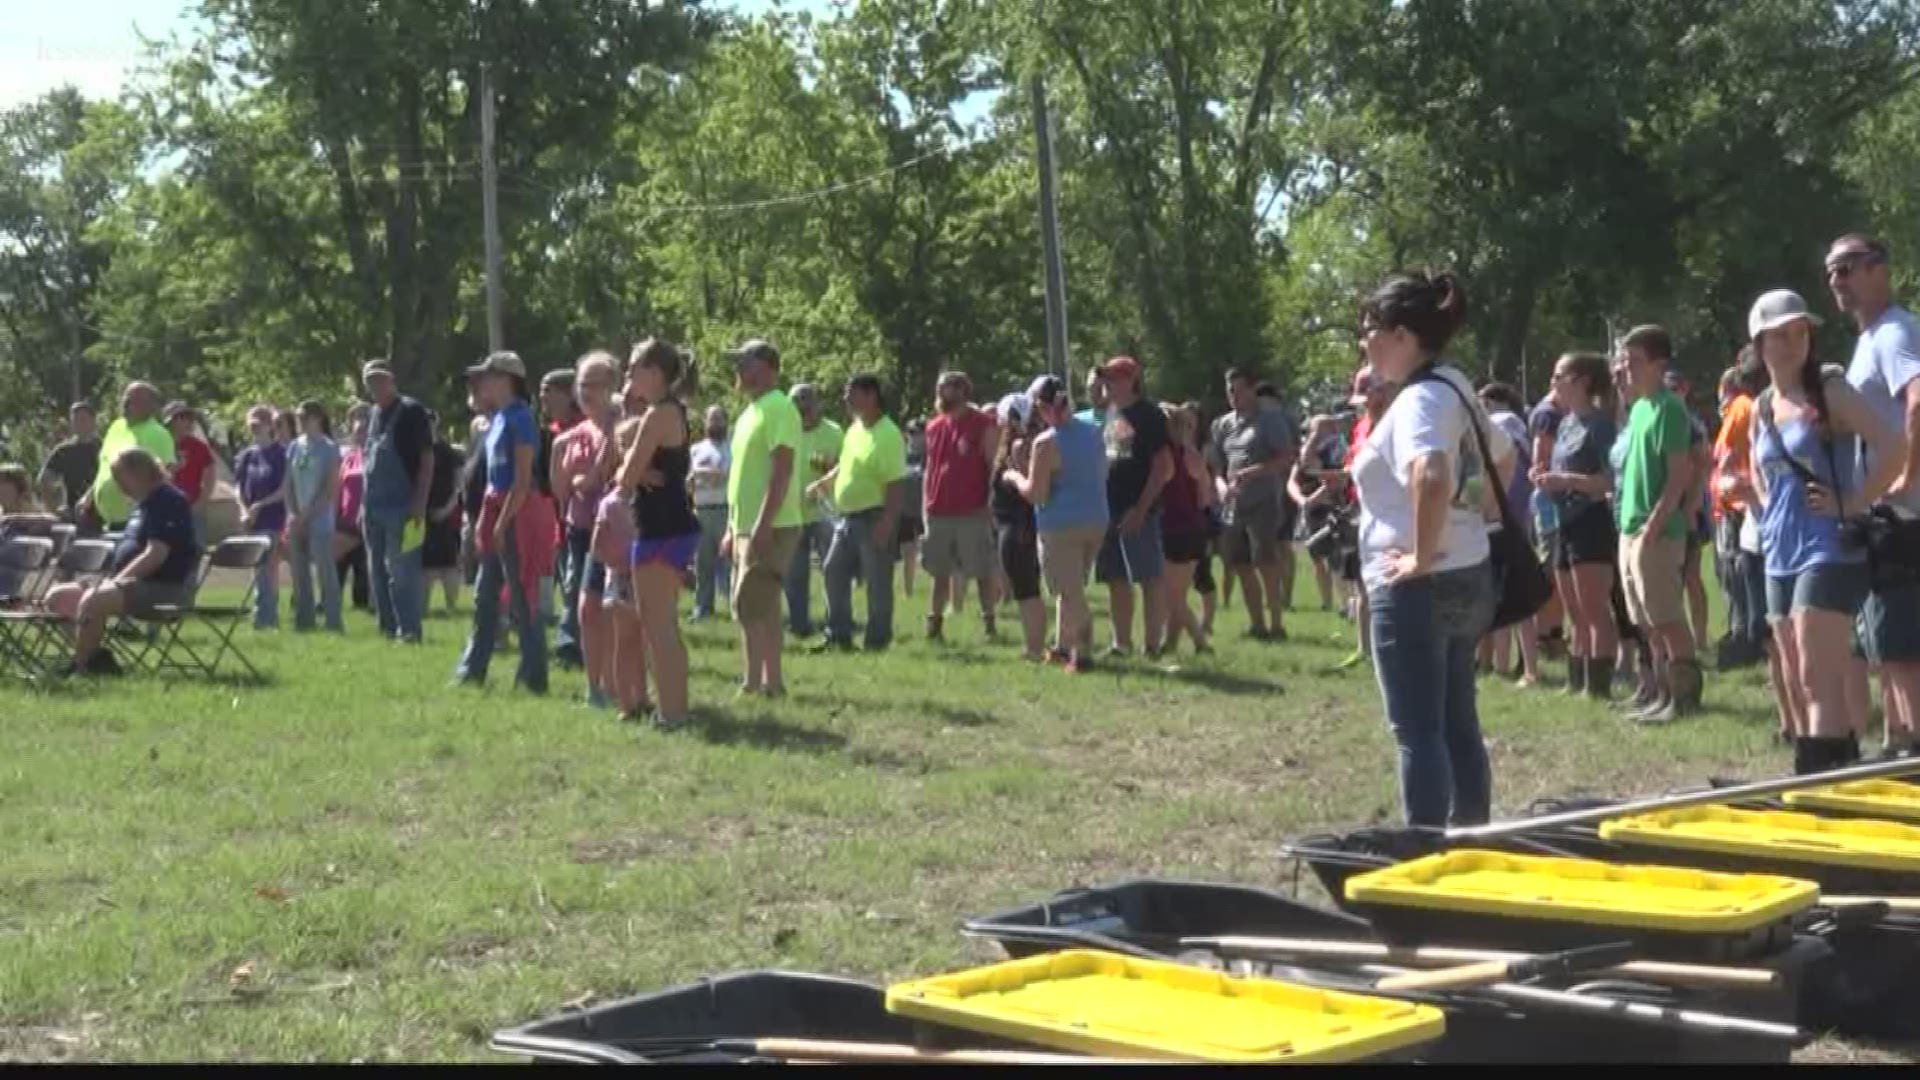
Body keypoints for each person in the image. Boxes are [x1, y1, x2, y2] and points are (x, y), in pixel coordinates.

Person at [1352, 271, 1512, 830]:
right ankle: (1471, 836)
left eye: (1370, 328)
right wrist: (1475, 514)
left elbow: (1432, 473)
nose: (1363, 341)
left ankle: (1423, 852)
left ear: (1402, 335)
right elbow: (1503, 455)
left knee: (1418, 732)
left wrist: (1421, 554)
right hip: (1468, 571)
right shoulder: (1453, 385)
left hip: (1420, 583)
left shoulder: (1419, 400)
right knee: (1456, 723)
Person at [1748, 288, 1901, 773]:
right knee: (1793, 675)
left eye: (1801, 332)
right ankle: (1828, 765)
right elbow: (1760, 468)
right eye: (1780, 334)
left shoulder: (1829, 390)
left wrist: (1855, 500)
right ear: (1759, 343)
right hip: (1778, 550)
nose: (1793, 342)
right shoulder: (1761, 404)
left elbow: (1894, 444)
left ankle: (1820, 779)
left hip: (1829, 547)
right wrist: (1766, 503)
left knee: (1818, 675)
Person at [1827, 232, 1920, 755]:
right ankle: (1899, 738)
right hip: (1882, 512)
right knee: (1883, 636)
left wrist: (1905, 475)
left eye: (1848, 267)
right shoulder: (1868, 340)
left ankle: (1914, 749)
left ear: (1879, 269)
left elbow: (1918, 398)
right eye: (1831, 272)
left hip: (1905, 514)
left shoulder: (1895, 333)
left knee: (1903, 641)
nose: (1837, 280)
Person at [1615, 325, 1705, 723]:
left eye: (1634, 361)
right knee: (1645, 621)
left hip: (1656, 531)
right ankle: (1659, 693)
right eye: (1624, 359)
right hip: (1629, 528)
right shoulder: (1638, 408)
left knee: (1667, 617)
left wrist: (1656, 523)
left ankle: (1683, 699)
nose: (1626, 368)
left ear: (1658, 364)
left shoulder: (1671, 409)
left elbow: (1678, 474)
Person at [44, 449, 200, 676]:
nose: (118, 485)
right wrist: (111, 580)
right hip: (129, 585)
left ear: (139, 473)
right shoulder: (142, 504)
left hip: (163, 589)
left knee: (95, 600)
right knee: (57, 597)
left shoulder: (169, 500)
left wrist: (116, 582)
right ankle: (96, 658)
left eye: (119, 477)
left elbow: (156, 554)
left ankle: (81, 668)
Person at [614, 339, 702, 729]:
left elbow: (626, 477)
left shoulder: (658, 415)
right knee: (663, 624)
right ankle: (675, 707)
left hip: (660, 530)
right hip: (673, 527)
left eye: (633, 368)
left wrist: (627, 470)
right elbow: (627, 452)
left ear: (654, 371)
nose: (628, 376)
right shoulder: (671, 412)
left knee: (658, 625)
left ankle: (673, 713)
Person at [454, 351, 547, 692]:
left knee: (523, 599)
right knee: (484, 596)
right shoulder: (497, 420)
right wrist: (485, 521)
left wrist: (501, 521)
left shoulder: (522, 418)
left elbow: (522, 480)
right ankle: (471, 670)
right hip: (496, 511)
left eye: (488, 376)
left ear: (507, 379)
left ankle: (533, 675)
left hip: (516, 513)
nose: (481, 383)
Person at [1005, 375, 1108, 673]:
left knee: (1071, 593)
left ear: (1042, 407)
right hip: (1096, 519)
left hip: (1061, 525)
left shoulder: (1046, 442)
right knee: (1070, 587)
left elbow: (1036, 493)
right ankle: (1062, 648)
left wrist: (1014, 476)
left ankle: (1084, 653)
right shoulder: (1094, 432)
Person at [1532, 353, 1619, 699]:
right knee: (1572, 608)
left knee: (1594, 607)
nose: (1553, 384)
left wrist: (1568, 480)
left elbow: (1613, 479)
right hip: (1563, 522)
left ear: (1582, 382)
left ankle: (1598, 686)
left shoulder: (1600, 425)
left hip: (1591, 520)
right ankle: (1577, 677)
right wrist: (1543, 479)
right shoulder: (1566, 423)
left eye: (1559, 376)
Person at [723, 339, 804, 698]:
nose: (739, 369)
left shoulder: (778, 407)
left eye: (746, 362)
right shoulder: (748, 413)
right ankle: (770, 683)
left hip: (771, 523)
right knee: (764, 606)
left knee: (749, 604)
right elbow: (742, 476)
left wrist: (763, 524)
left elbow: (782, 470)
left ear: (769, 367)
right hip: (746, 525)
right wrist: (732, 527)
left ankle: (754, 683)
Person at [811, 374, 906, 652]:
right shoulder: (855, 429)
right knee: (833, 570)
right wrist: (825, 481)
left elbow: (896, 483)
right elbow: (845, 465)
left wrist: (887, 522)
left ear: (871, 395)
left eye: (851, 393)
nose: (846, 399)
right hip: (848, 518)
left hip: (874, 517)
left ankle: (877, 641)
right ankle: (838, 635)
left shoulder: (888, 434)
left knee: (877, 581)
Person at [1210, 368, 1296, 642]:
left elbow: (1286, 458)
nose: (1234, 396)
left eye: (1239, 389)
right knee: (1240, 563)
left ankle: (1276, 623)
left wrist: (1254, 472)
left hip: (1263, 500)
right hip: (1234, 504)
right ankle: (1256, 623)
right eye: (1229, 390)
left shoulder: (1269, 420)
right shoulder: (1222, 425)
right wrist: (1221, 486)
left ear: (1251, 390)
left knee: (1265, 561)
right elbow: (1217, 467)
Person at [1095, 356, 1172, 657]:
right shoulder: (1110, 413)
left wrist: (1141, 509)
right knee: (1115, 578)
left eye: (1113, 378)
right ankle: (1121, 643)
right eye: (1105, 378)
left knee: (1149, 577)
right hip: (1108, 508)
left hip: (1138, 509)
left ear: (1131, 380)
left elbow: (1162, 467)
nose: (1107, 384)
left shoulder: (1149, 415)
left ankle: (1152, 645)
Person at [557, 353, 619, 704]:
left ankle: (613, 684)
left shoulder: (623, 426)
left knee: (605, 609)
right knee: (586, 609)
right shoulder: (576, 433)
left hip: (613, 530)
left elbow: (595, 477)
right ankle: (594, 685)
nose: (587, 391)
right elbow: (567, 484)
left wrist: (587, 478)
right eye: (582, 384)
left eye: (595, 384)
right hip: (579, 530)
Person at [921, 371, 999, 641]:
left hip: (972, 510)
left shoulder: (983, 423)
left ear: (962, 391)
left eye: (946, 389)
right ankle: (935, 624)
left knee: (981, 571)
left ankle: (989, 623)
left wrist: (989, 503)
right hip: (938, 510)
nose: (940, 394)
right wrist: (926, 506)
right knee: (939, 572)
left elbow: (993, 467)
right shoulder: (934, 426)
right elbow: (930, 469)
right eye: (939, 388)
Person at [361, 360, 435, 643]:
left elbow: (427, 459)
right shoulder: (373, 415)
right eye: (370, 381)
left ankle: (410, 630)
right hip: (372, 506)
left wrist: (420, 502)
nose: (375, 386)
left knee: (402, 571)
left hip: (403, 505)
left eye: (380, 380)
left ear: (392, 380)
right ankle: (387, 628)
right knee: (376, 571)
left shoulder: (411, 411)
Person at [1478, 382, 1540, 686]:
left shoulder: (1503, 424)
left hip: (1503, 519)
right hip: (1502, 517)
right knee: (1502, 597)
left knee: (1511, 597)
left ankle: (1512, 666)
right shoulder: (1508, 426)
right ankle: (1498, 663)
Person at [1712, 351, 1770, 671]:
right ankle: (1748, 636)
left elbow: (1727, 458)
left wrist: (1730, 487)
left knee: (1739, 580)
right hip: (1740, 507)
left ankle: (1748, 639)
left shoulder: (1743, 407)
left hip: (1739, 507)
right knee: (1737, 578)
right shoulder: (1744, 407)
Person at [990, 392, 1047, 661]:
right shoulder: (1013, 445)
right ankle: (1033, 644)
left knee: (1027, 590)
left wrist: (1013, 474)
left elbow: (1030, 487)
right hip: (1008, 523)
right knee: (1024, 588)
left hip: (1018, 524)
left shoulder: (1020, 447)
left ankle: (1035, 647)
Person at [785, 383, 842, 639]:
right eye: (797, 402)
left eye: (808, 401)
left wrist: (831, 469)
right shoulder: (784, 432)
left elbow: (845, 465)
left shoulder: (834, 432)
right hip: (792, 514)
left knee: (833, 569)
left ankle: (837, 621)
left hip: (824, 513)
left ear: (818, 404)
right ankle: (799, 624)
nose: (803, 407)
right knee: (794, 574)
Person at [1668, 371, 1717, 661]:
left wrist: (1692, 508)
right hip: (1668, 510)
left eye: (1676, 387)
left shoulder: (1691, 426)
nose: (1672, 392)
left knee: (1692, 577)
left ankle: (1699, 638)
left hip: (1688, 513)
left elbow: (1703, 468)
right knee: (1670, 582)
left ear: (1684, 390)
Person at [282, 400, 344, 632]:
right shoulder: (295, 446)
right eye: (298, 417)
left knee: (325, 571)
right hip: (296, 518)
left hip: (320, 519)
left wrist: (306, 515)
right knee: (299, 572)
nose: (299, 421)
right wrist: (292, 514)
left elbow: (329, 490)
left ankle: (333, 621)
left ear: (317, 418)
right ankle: (304, 620)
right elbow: (287, 483)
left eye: (303, 417)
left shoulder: (329, 448)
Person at [1159, 402, 1215, 657]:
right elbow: (1205, 496)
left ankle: (1200, 642)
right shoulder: (1192, 454)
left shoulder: (1167, 455)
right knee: (1176, 594)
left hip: (1174, 528)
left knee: (1171, 596)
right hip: (1194, 527)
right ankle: (1169, 644)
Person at [82, 382, 175, 532]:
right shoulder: (116, 427)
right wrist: (89, 496)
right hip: (103, 518)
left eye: (135, 400)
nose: (127, 404)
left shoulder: (158, 434)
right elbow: (104, 467)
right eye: (126, 398)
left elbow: (165, 476)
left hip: (136, 520)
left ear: (152, 406)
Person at [541, 368, 586, 662]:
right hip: (558, 520)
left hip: (583, 519)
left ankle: (570, 645)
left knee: (576, 584)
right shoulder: (551, 431)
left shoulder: (584, 429)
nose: (542, 396)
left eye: (549, 389)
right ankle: (572, 642)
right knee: (568, 581)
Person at [234, 404, 289, 630]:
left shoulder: (280, 454)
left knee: (268, 568)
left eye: (259, 423)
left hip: (272, 519)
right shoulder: (247, 455)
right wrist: (243, 510)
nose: (255, 427)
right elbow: (238, 487)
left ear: (270, 426)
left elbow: (284, 489)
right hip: (251, 520)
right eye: (252, 424)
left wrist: (260, 505)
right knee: (257, 569)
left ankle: (266, 617)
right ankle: (262, 615)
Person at [1290, 413, 1350, 615]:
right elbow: (1294, 479)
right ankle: (1327, 603)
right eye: (1314, 429)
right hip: (1311, 510)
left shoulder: (1336, 451)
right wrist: (1302, 501)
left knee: (1337, 558)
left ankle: (1345, 604)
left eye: (1322, 428)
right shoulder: (1305, 451)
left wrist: (1314, 499)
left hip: (1331, 507)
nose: (1316, 434)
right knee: (1316, 556)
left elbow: (1338, 481)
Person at [1526, 389, 1569, 663]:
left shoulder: (1555, 412)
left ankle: (1552, 634)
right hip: (1550, 505)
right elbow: (1540, 464)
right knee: (1552, 574)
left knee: (1557, 573)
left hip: (1555, 503)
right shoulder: (1548, 415)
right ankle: (1546, 637)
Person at [689, 405, 732, 620]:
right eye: (711, 419)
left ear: (726, 422)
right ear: (705, 422)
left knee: (729, 561)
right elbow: (689, 479)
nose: (715, 423)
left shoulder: (732, 448)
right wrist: (707, 475)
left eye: (719, 419)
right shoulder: (696, 450)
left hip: (725, 510)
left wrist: (705, 475)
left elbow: (730, 476)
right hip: (701, 512)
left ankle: (736, 608)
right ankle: (702, 608)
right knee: (702, 562)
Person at [423, 413, 465, 613]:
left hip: (444, 513)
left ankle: (451, 606)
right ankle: (421, 606)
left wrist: (448, 509)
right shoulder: (416, 449)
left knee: (448, 562)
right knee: (421, 562)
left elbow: (459, 486)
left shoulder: (448, 452)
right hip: (419, 514)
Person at [335, 403, 372, 611]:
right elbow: (338, 487)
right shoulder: (347, 457)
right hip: (345, 523)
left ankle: (364, 607)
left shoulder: (376, 455)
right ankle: (332, 604)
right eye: (357, 431)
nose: (360, 434)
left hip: (366, 521)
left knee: (363, 571)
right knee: (337, 567)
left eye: (364, 430)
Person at [38, 402, 100, 524]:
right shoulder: (64, 450)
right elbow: (44, 479)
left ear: (93, 421)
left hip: (102, 510)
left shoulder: (105, 448)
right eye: (75, 420)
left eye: (83, 419)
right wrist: (52, 509)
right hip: (73, 512)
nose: (79, 424)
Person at [163, 403, 216, 542]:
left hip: (193, 507)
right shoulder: (160, 443)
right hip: (166, 509)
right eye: (180, 417)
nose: (186, 421)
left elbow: (210, 477)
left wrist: (200, 503)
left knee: (195, 548)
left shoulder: (199, 447)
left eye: (188, 417)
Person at [898, 420, 927, 597]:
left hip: (926, 510)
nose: (914, 437)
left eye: (917, 432)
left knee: (930, 554)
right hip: (906, 511)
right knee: (908, 552)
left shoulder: (931, 456)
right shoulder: (900, 456)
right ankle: (908, 591)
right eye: (911, 433)